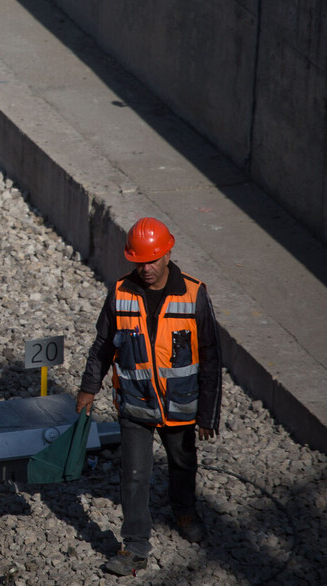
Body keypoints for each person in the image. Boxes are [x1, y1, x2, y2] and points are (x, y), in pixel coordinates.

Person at [76, 217, 222, 576]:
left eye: (153, 260)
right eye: (139, 261)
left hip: (181, 404)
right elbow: (102, 346)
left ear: (168, 253)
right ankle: (135, 545)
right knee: (134, 475)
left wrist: (208, 414)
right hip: (135, 403)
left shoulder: (194, 294)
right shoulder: (121, 292)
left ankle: (184, 511)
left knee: (183, 464)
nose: (146, 268)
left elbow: (212, 357)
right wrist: (88, 388)